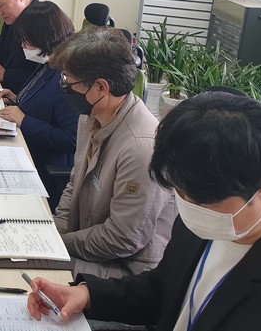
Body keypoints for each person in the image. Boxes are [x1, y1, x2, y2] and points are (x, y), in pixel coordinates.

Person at [28, 92, 261, 330]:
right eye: (180, 192)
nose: (187, 205)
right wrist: (87, 294)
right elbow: (160, 290)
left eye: (203, 201)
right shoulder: (197, 222)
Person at [50, 26, 176, 278]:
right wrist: (56, 231)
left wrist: (60, 243)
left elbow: (123, 239)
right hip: (87, 246)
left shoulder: (140, 147)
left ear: (100, 87)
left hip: (125, 270)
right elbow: (75, 181)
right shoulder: (92, 115)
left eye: (68, 82)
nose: (64, 87)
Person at [0, 1, 78, 210]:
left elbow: (71, 139)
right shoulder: (49, 63)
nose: (23, 45)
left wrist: (24, 120)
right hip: (23, 147)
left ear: (45, 38)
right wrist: (17, 99)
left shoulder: (68, 78)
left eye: (27, 40)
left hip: (43, 167)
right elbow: (42, 103)